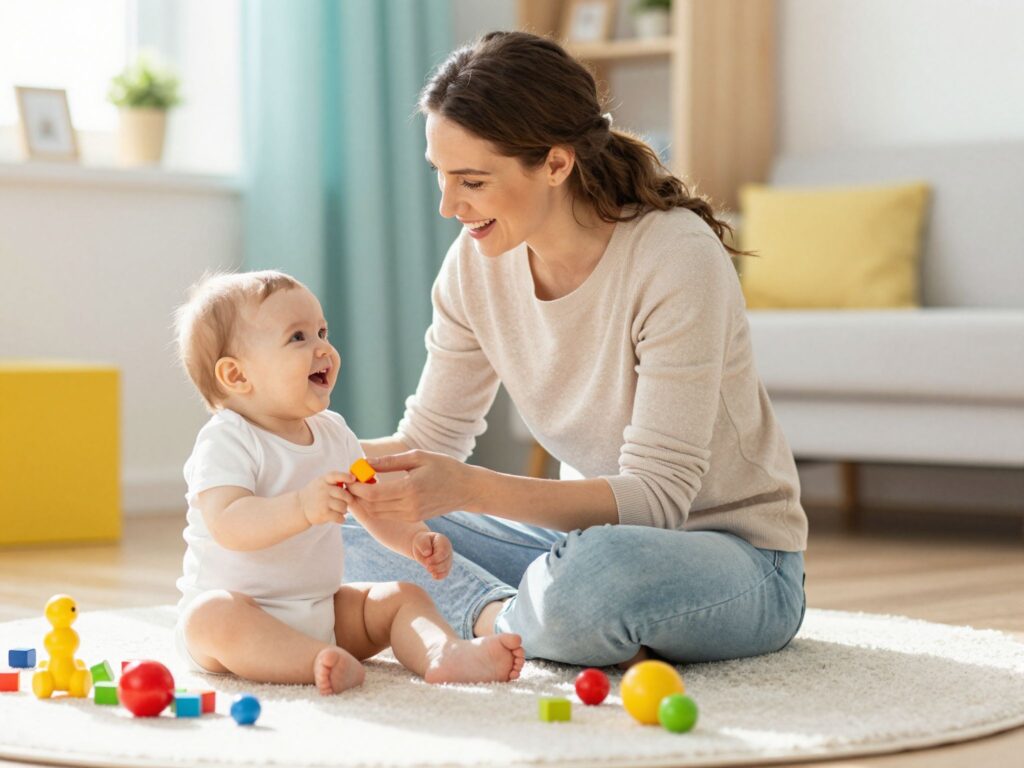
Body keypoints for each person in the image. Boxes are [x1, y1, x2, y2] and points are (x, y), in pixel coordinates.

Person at [336, 30, 809, 668]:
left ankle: (504, 615)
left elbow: (656, 498)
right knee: (342, 524)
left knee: (594, 580)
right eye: (441, 178)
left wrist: (467, 489)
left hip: (734, 560)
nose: (449, 206)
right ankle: (504, 620)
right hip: (575, 545)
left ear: (557, 164)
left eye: (472, 180)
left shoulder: (674, 257)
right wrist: (302, 457)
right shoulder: (474, 266)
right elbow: (430, 440)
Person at [171, 270, 525, 694]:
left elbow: (370, 497)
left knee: (401, 597)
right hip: (244, 613)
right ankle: (313, 661)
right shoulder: (226, 440)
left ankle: (440, 652)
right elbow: (228, 522)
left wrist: (414, 539)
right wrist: (301, 507)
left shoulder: (336, 434)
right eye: (298, 338)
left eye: (322, 331)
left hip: (323, 609)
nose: (323, 347)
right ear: (237, 376)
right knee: (210, 618)